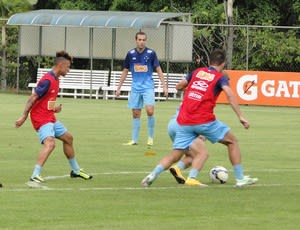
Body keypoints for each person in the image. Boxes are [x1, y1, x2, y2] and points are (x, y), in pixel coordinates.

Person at [142, 49, 258, 188]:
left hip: (184, 121)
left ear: (209, 61)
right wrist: (240, 116)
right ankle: (240, 179)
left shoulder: (197, 72)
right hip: (203, 120)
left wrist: (189, 88)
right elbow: (230, 95)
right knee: (232, 141)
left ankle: (152, 175)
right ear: (223, 63)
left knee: (176, 154)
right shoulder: (220, 77)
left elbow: (179, 85)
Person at [15, 51, 92, 186]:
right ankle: (35, 175)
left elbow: (45, 101)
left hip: (49, 116)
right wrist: (23, 116)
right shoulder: (47, 80)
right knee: (50, 143)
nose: (68, 70)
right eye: (67, 67)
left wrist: (54, 108)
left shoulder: (56, 79)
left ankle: (75, 170)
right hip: (40, 118)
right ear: (61, 65)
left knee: (68, 138)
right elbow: (33, 98)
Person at [116, 31, 168, 146]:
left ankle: (150, 138)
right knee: (135, 113)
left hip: (148, 87)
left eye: (143, 40)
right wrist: (118, 87)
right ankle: (134, 140)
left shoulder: (151, 53)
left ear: (146, 41)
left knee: (150, 110)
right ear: (136, 40)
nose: (141, 42)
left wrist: (164, 86)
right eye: (139, 40)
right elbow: (125, 71)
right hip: (135, 88)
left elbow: (158, 69)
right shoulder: (130, 54)